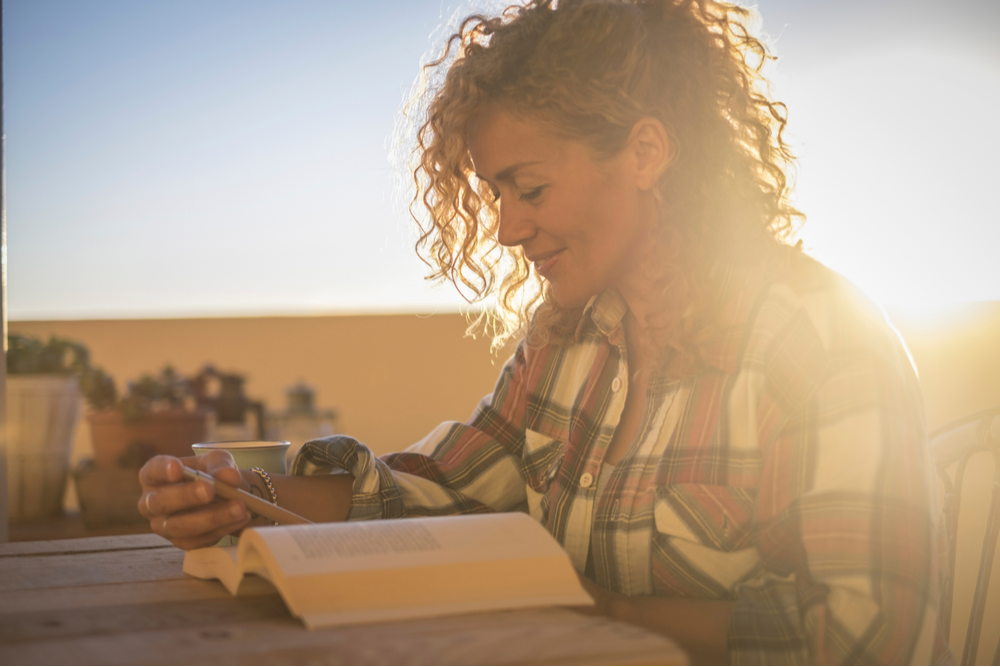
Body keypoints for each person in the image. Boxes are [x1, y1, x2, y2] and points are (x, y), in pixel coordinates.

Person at [138, 0, 949, 663]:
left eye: (528, 188)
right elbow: (445, 491)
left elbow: (864, 637)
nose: (505, 228)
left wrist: (610, 609)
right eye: (495, 194)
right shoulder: (567, 338)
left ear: (645, 153)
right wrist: (244, 497)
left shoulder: (822, 345)